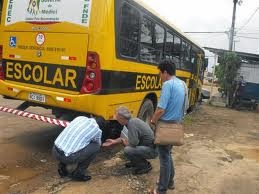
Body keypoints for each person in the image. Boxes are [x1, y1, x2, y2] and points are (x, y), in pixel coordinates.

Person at [150, 59, 188, 194]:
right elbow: (185, 107)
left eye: (160, 74)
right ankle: (170, 181)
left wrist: (153, 121)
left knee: (164, 159)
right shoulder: (183, 84)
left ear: (165, 72)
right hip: (176, 126)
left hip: (164, 127)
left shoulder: (168, 84)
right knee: (168, 154)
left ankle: (161, 189)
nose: (160, 77)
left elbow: (161, 109)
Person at [102, 106, 157, 175]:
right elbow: (126, 137)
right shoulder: (132, 121)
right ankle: (136, 162)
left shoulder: (131, 124)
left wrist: (124, 142)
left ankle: (144, 166)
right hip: (147, 147)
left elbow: (133, 143)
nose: (117, 120)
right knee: (128, 147)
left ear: (121, 118)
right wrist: (115, 141)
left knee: (128, 150)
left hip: (152, 150)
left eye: (117, 118)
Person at [52, 116, 104, 181]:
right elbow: (98, 143)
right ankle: (79, 174)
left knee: (69, 144)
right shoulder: (97, 130)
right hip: (67, 158)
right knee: (95, 147)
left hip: (55, 150)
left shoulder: (80, 118)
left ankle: (62, 169)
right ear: (100, 126)